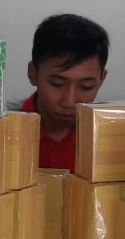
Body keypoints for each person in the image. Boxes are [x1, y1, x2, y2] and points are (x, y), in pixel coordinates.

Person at [20, 14, 109, 171]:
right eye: (57, 84)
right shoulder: (3, 129)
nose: (70, 101)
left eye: (86, 87)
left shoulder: (111, 138)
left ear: (102, 79)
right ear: (33, 73)